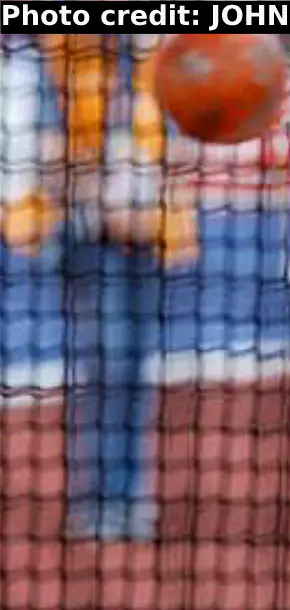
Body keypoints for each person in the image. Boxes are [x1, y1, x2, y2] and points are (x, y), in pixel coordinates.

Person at [1, 33, 199, 540]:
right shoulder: (63, 49)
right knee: (106, 364)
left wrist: (150, 199)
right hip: (92, 237)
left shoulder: (161, 52)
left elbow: (177, 141)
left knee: (132, 369)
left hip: (151, 232)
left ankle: (129, 494)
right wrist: (100, 193)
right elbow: (47, 150)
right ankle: (102, 498)